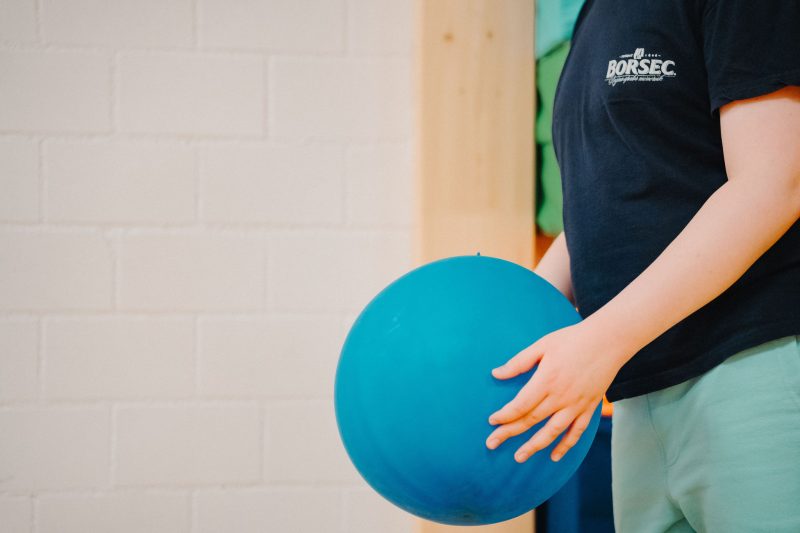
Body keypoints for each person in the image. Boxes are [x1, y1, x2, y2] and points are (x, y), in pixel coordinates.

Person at [484, 1, 800, 531]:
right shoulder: (594, 15)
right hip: (637, 390)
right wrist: (517, 328)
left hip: (753, 364)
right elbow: (611, 199)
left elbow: (775, 182)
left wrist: (599, 342)